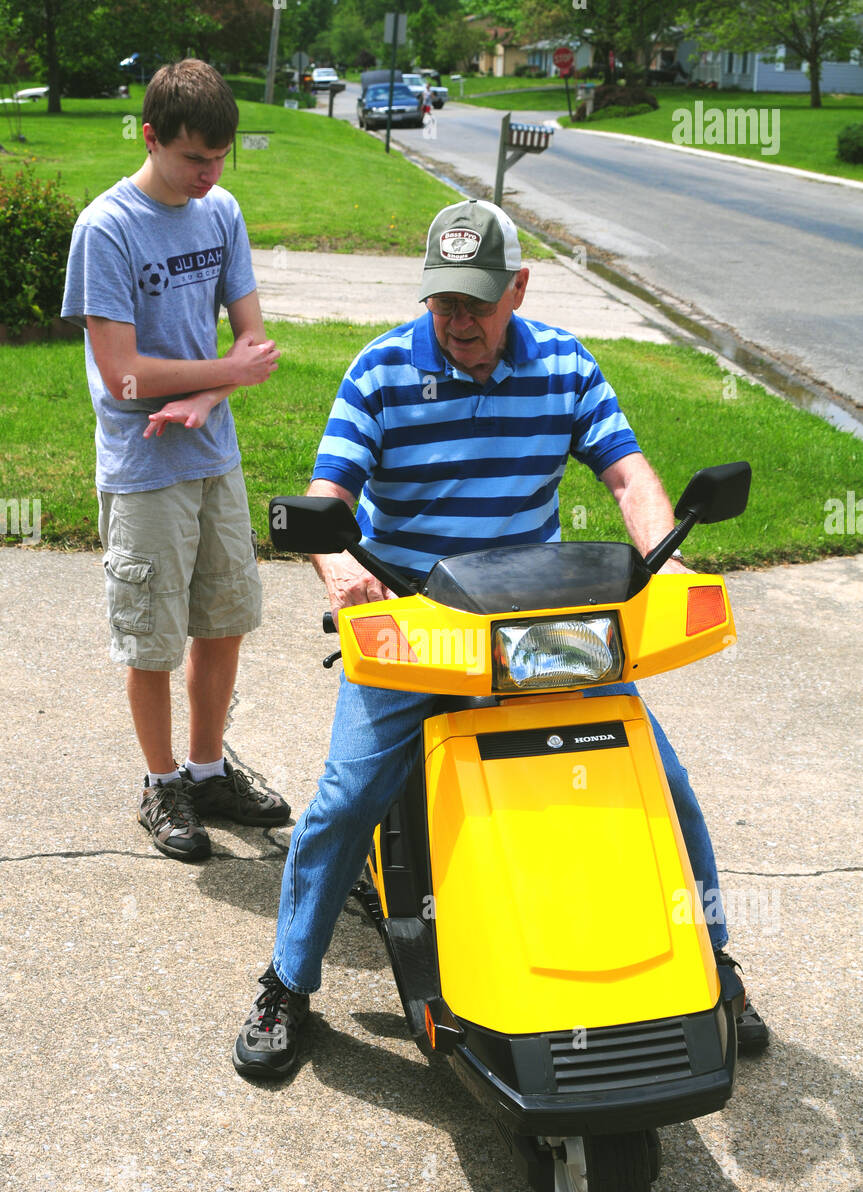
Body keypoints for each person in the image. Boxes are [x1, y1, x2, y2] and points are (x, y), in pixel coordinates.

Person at [233, 198, 769, 1078]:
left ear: (517, 287)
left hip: (540, 628)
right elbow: (329, 496)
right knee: (344, 797)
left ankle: (714, 965)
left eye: (476, 302)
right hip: (419, 628)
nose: (457, 321)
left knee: (660, 790)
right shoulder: (379, 371)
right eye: (443, 301)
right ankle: (288, 982)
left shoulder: (563, 363)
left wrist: (662, 564)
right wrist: (341, 575)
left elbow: (627, 472)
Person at [62, 59, 290, 862]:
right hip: (144, 465)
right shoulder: (107, 229)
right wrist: (223, 376)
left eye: (221, 158)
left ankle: (207, 770)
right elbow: (123, 373)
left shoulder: (220, 211)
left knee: (224, 622)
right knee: (151, 639)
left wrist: (207, 397)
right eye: (195, 157)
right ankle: (162, 786)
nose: (210, 174)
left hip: (211, 454)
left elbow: (253, 345)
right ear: (151, 137)